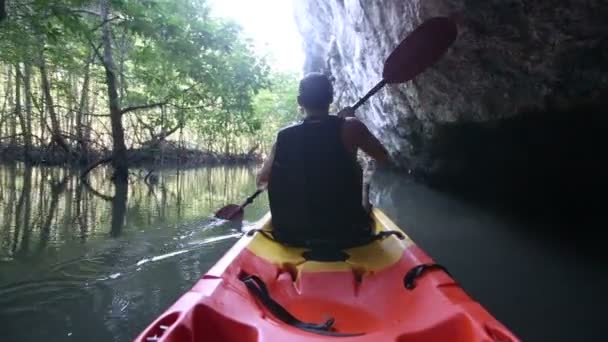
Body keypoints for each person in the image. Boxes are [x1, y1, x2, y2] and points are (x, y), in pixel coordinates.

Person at [256, 72, 390, 248]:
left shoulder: (284, 136)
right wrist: (349, 123)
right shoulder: (351, 127)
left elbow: (262, 181)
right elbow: (384, 158)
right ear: (331, 98)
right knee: (365, 181)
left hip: (291, 233)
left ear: (300, 101)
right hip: (346, 231)